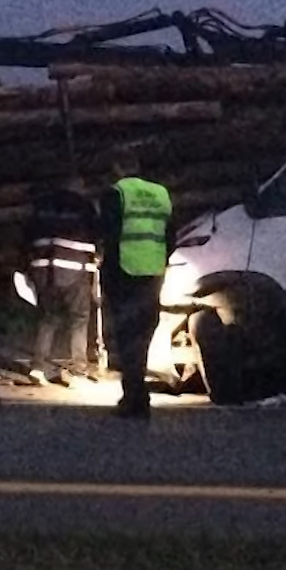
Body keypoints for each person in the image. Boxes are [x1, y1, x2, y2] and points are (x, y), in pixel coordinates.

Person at [95, 150, 172, 418]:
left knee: (127, 337)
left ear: (117, 168)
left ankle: (134, 398)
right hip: (153, 272)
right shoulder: (161, 194)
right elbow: (169, 234)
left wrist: (106, 271)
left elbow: (108, 233)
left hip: (124, 272)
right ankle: (138, 395)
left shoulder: (116, 193)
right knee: (143, 336)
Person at [23, 176, 98, 385]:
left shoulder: (42, 206)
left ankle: (38, 368)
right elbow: (96, 234)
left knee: (48, 318)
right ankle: (79, 371)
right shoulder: (84, 207)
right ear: (79, 187)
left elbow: (26, 236)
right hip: (75, 269)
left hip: (43, 270)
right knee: (79, 319)